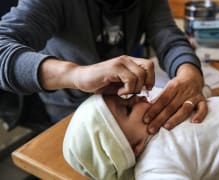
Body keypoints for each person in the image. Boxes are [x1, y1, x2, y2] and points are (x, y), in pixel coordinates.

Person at [0, 0, 207, 133]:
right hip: (69, 110)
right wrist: (76, 75)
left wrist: (189, 72)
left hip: (125, 102)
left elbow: (167, 36)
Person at [62, 87, 219, 180]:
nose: (137, 97)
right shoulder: (156, 164)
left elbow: (199, 92)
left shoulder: (155, 105)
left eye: (126, 97)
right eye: (128, 108)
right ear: (132, 147)